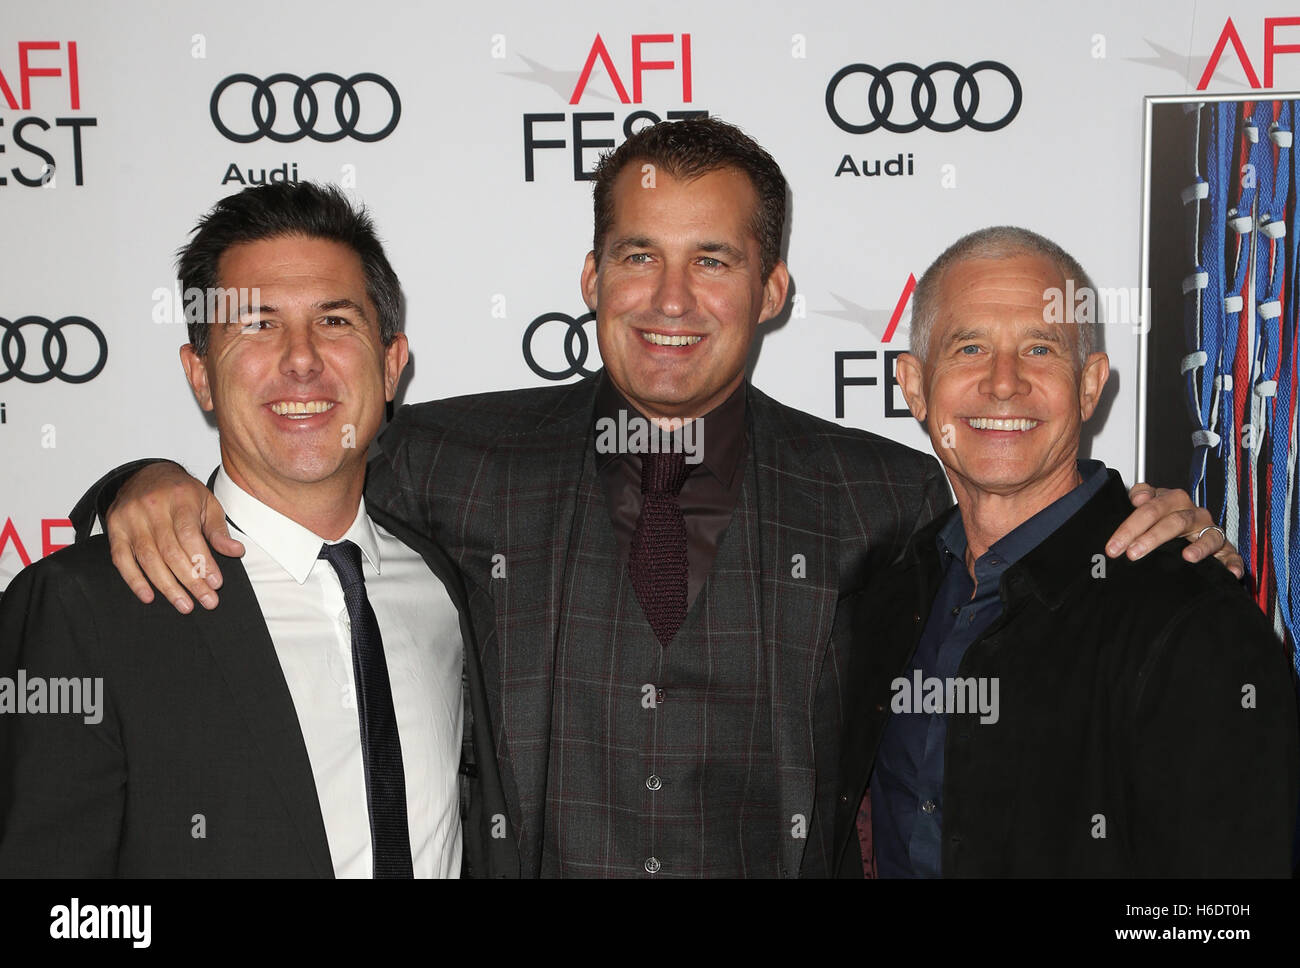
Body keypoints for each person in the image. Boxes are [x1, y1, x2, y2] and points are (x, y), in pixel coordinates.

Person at [75, 120, 1236, 878]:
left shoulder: (877, 488)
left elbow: (1017, 557)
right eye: (636, 255)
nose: (669, 296)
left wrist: (1147, 530)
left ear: (773, 287)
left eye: (714, 260)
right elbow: (292, 464)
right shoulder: (449, 454)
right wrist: (138, 483)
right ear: (591, 276)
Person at [0, 182, 513, 877]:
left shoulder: (446, 581)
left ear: (391, 366)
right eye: (257, 325)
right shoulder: (84, 607)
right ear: (201, 376)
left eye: (335, 322)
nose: (301, 358)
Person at [831, 226, 1298, 877]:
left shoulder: (1191, 617)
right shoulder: (889, 592)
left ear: (1088, 385)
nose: (1003, 383)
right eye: (970, 347)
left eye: (1039, 348)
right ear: (914, 386)